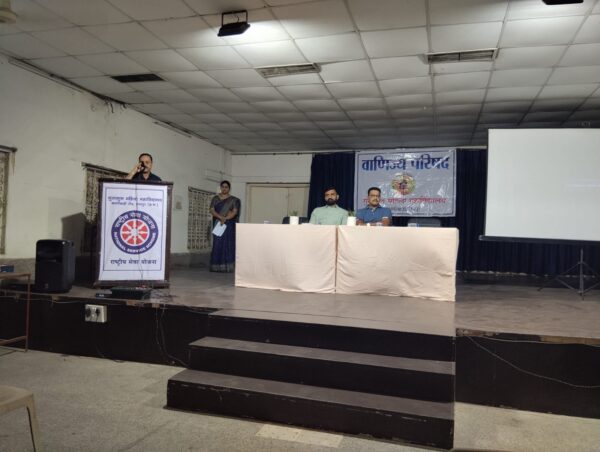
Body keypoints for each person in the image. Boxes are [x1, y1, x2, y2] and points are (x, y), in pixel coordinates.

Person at [209, 180, 240, 272]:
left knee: (228, 244)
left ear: (229, 189)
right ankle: (216, 266)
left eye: (226, 187)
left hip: (229, 224)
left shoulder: (234, 200)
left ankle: (228, 266)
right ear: (220, 188)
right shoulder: (215, 198)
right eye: (223, 187)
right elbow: (212, 210)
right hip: (218, 224)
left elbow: (234, 212)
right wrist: (220, 217)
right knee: (217, 243)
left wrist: (225, 218)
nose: (224, 189)